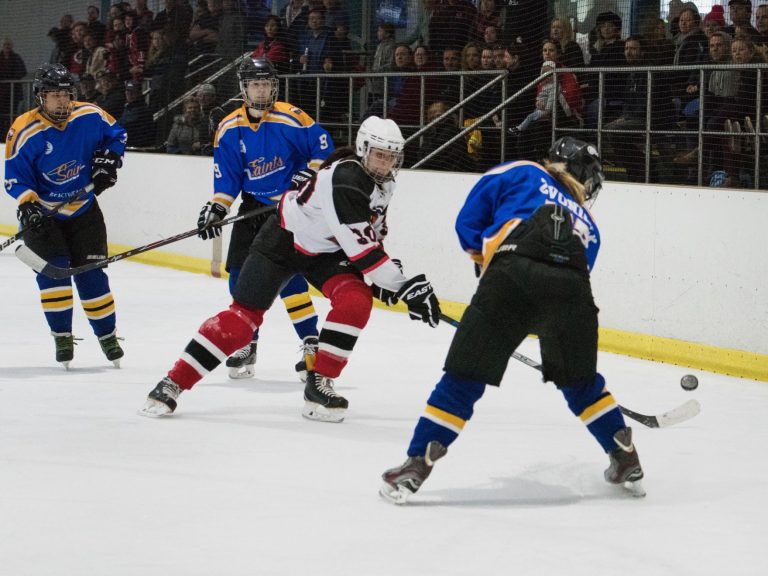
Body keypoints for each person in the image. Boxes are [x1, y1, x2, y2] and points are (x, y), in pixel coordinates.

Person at [380, 137, 647, 504]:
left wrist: (487, 268)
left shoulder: (523, 170)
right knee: (580, 382)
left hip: (510, 274)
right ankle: (624, 454)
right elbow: (571, 279)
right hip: (573, 295)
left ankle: (417, 463)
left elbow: (468, 222)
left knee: (465, 377)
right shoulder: (590, 224)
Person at [139, 115, 441, 422]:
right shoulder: (346, 178)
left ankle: (319, 384)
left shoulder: (384, 183)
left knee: (356, 301)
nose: (386, 162)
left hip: (327, 252)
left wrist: (391, 276)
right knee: (241, 322)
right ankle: (173, 382)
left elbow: (369, 233)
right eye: (380, 154)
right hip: (282, 242)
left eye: (391, 156)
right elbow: (362, 250)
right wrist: (401, 285)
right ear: (363, 149)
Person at [192, 57, 331, 381]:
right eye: (256, 84)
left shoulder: (292, 118)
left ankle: (311, 342)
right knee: (240, 275)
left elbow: (323, 147)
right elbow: (227, 178)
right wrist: (217, 207)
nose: (262, 90)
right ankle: (246, 342)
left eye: (266, 83)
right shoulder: (229, 128)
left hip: (289, 209)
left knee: (289, 278)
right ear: (244, 88)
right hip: (254, 207)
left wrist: (307, 175)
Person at [4, 63, 126, 368]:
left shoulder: (90, 115)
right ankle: (61, 335)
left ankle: (107, 335)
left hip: (83, 210)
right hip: (43, 215)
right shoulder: (24, 129)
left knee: (92, 274)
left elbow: (117, 135)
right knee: (54, 275)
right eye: (53, 95)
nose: (61, 100)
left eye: (65, 94)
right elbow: (14, 177)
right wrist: (28, 204)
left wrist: (109, 162)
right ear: (40, 97)